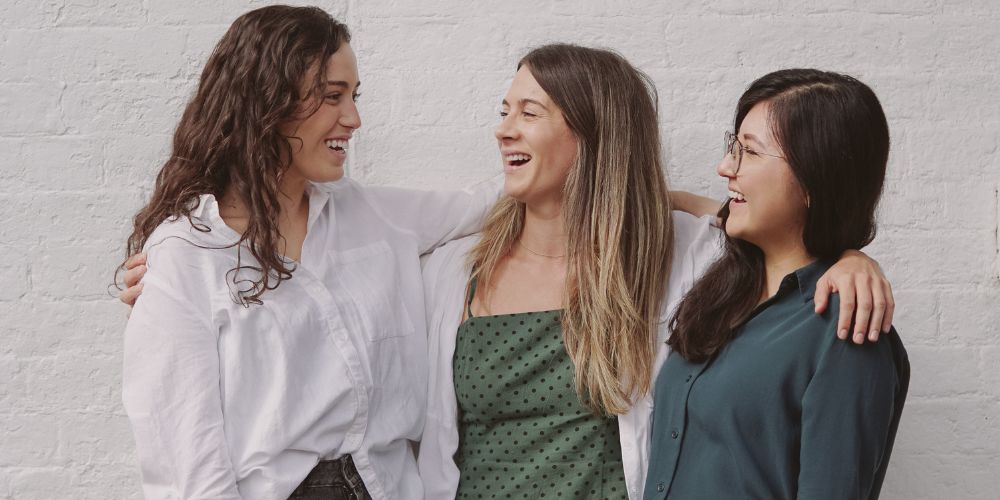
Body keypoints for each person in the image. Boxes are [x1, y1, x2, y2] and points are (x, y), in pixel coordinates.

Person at [416, 45, 899, 500]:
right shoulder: (454, 270)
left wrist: (846, 255)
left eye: (529, 112)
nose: (504, 129)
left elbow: (781, 234)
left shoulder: (678, 257)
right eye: (505, 111)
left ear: (593, 134)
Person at [117, 6, 499, 499]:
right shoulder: (187, 253)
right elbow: (185, 464)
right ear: (268, 103)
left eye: (353, 96)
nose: (354, 119)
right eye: (331, 97)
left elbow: (488, 204)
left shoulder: (372, 215)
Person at [643, 69, 909, 499]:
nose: (725, 167)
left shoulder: (845, 329)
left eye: (749, 152)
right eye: (734, 147)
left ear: (813, 180)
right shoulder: (724, 289)